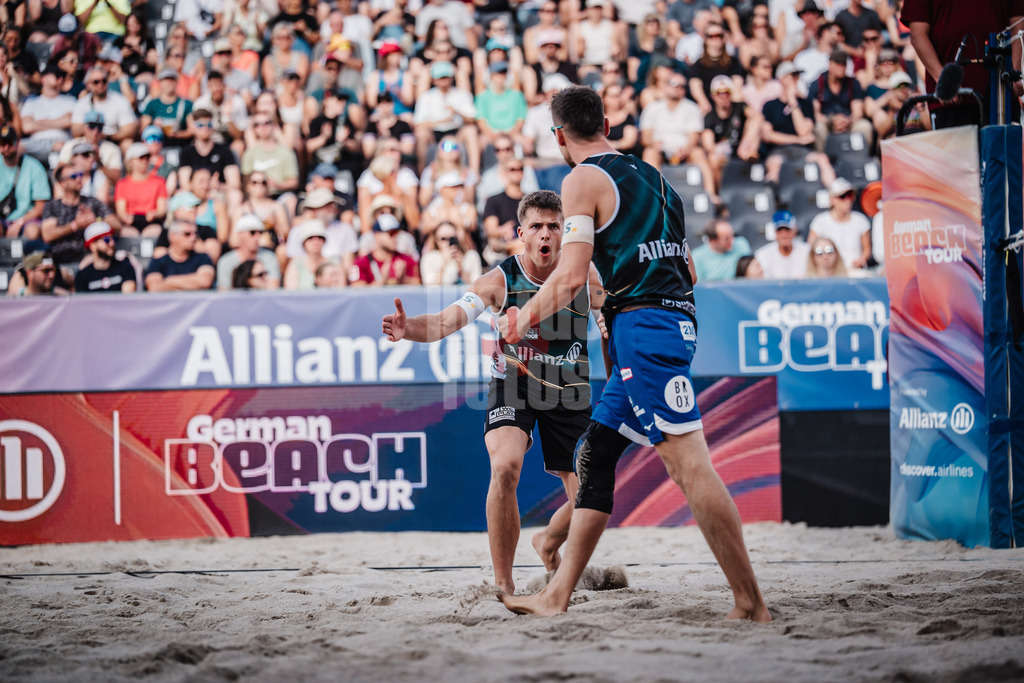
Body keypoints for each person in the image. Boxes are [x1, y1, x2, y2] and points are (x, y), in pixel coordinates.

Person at [495, 85, 769, 621]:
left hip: (645, 330)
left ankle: (751, 602)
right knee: (595, 452)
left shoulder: (581, 178)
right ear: (608, 124)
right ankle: (557, 593)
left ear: (558, 136)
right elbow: (686, 270)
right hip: (669, 323)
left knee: (690, 466)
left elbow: (571, 275)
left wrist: (520, 318)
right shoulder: (658, 181)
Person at [383, 190, 605, 594]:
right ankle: (504, 583)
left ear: (564, 232)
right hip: (514, 384)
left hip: (569, 389)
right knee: (505, 467)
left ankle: (547, 541)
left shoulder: (585, 275)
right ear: (521, 233)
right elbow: (446, 321)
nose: (546, 234)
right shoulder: (498, 280)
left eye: (554, 226)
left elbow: (611, 328)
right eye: (536, 226)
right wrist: (408, 328)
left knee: (589, 495)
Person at [41, 162, 118, 266]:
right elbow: (48, 235)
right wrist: (75, 226)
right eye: (73, 176)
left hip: (88, 257)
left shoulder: (92, 202)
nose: (79, 179)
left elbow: (116, 225)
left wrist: (96, 221)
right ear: (62, 183)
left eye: (80, 175)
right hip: (59, 258)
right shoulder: (53, 206)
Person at [807, 177, 871, 271]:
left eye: (850, 195)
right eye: (842, 196)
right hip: (829, 272)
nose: (847, 200)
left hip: (855, 271)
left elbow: (867, 249)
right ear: (832, 200)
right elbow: (811, 248)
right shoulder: (820, 222)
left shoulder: (860, 220)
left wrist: (861, 260)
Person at [0, 124, 51, 240]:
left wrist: (20, 222)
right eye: (2, 143)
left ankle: (29, 258)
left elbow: (40, 206)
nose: (6, 147)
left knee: (33, 231)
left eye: (9, 142)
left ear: (17, 142)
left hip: (26, 218)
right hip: (2, 218)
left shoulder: (34, 167)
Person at [349, 213, 421, 286]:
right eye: (391, 233)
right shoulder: (361, 263)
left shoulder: (406, 261)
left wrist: (403, 279)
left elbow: (418, 285)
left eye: (397, 232)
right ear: (377, 235)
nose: (395, 237)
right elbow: (357, 292)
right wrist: (382, 280)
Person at [144, 219, 215, 292]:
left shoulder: (203, 258)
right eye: (187, 234)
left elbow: (205, 282)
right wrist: (192, 284)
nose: (193, 238)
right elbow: (154, 287)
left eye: (195, 234)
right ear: (173, 236)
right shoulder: (158, 261)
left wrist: (169, 280)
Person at [216, 213, 281, 290]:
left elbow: (273, 289)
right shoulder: (226, 261)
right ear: (240, 234)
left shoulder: (270, 257)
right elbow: (224, 293)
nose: (257, 237)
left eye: (260, 232)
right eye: (252, 232)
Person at [73, 221, 139, 293]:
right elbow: (83, 302)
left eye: (113, 238)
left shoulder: (125, 267)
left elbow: (128, 299)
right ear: (93, 246)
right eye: (106, 240)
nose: (112, 243)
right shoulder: (82, 276)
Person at [754, 210, 810, 279]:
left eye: (787, 229)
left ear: (795, 230)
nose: (784, 235)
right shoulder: (763, 255)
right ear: (774, 231)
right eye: (779, 230)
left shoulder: (807, 251)